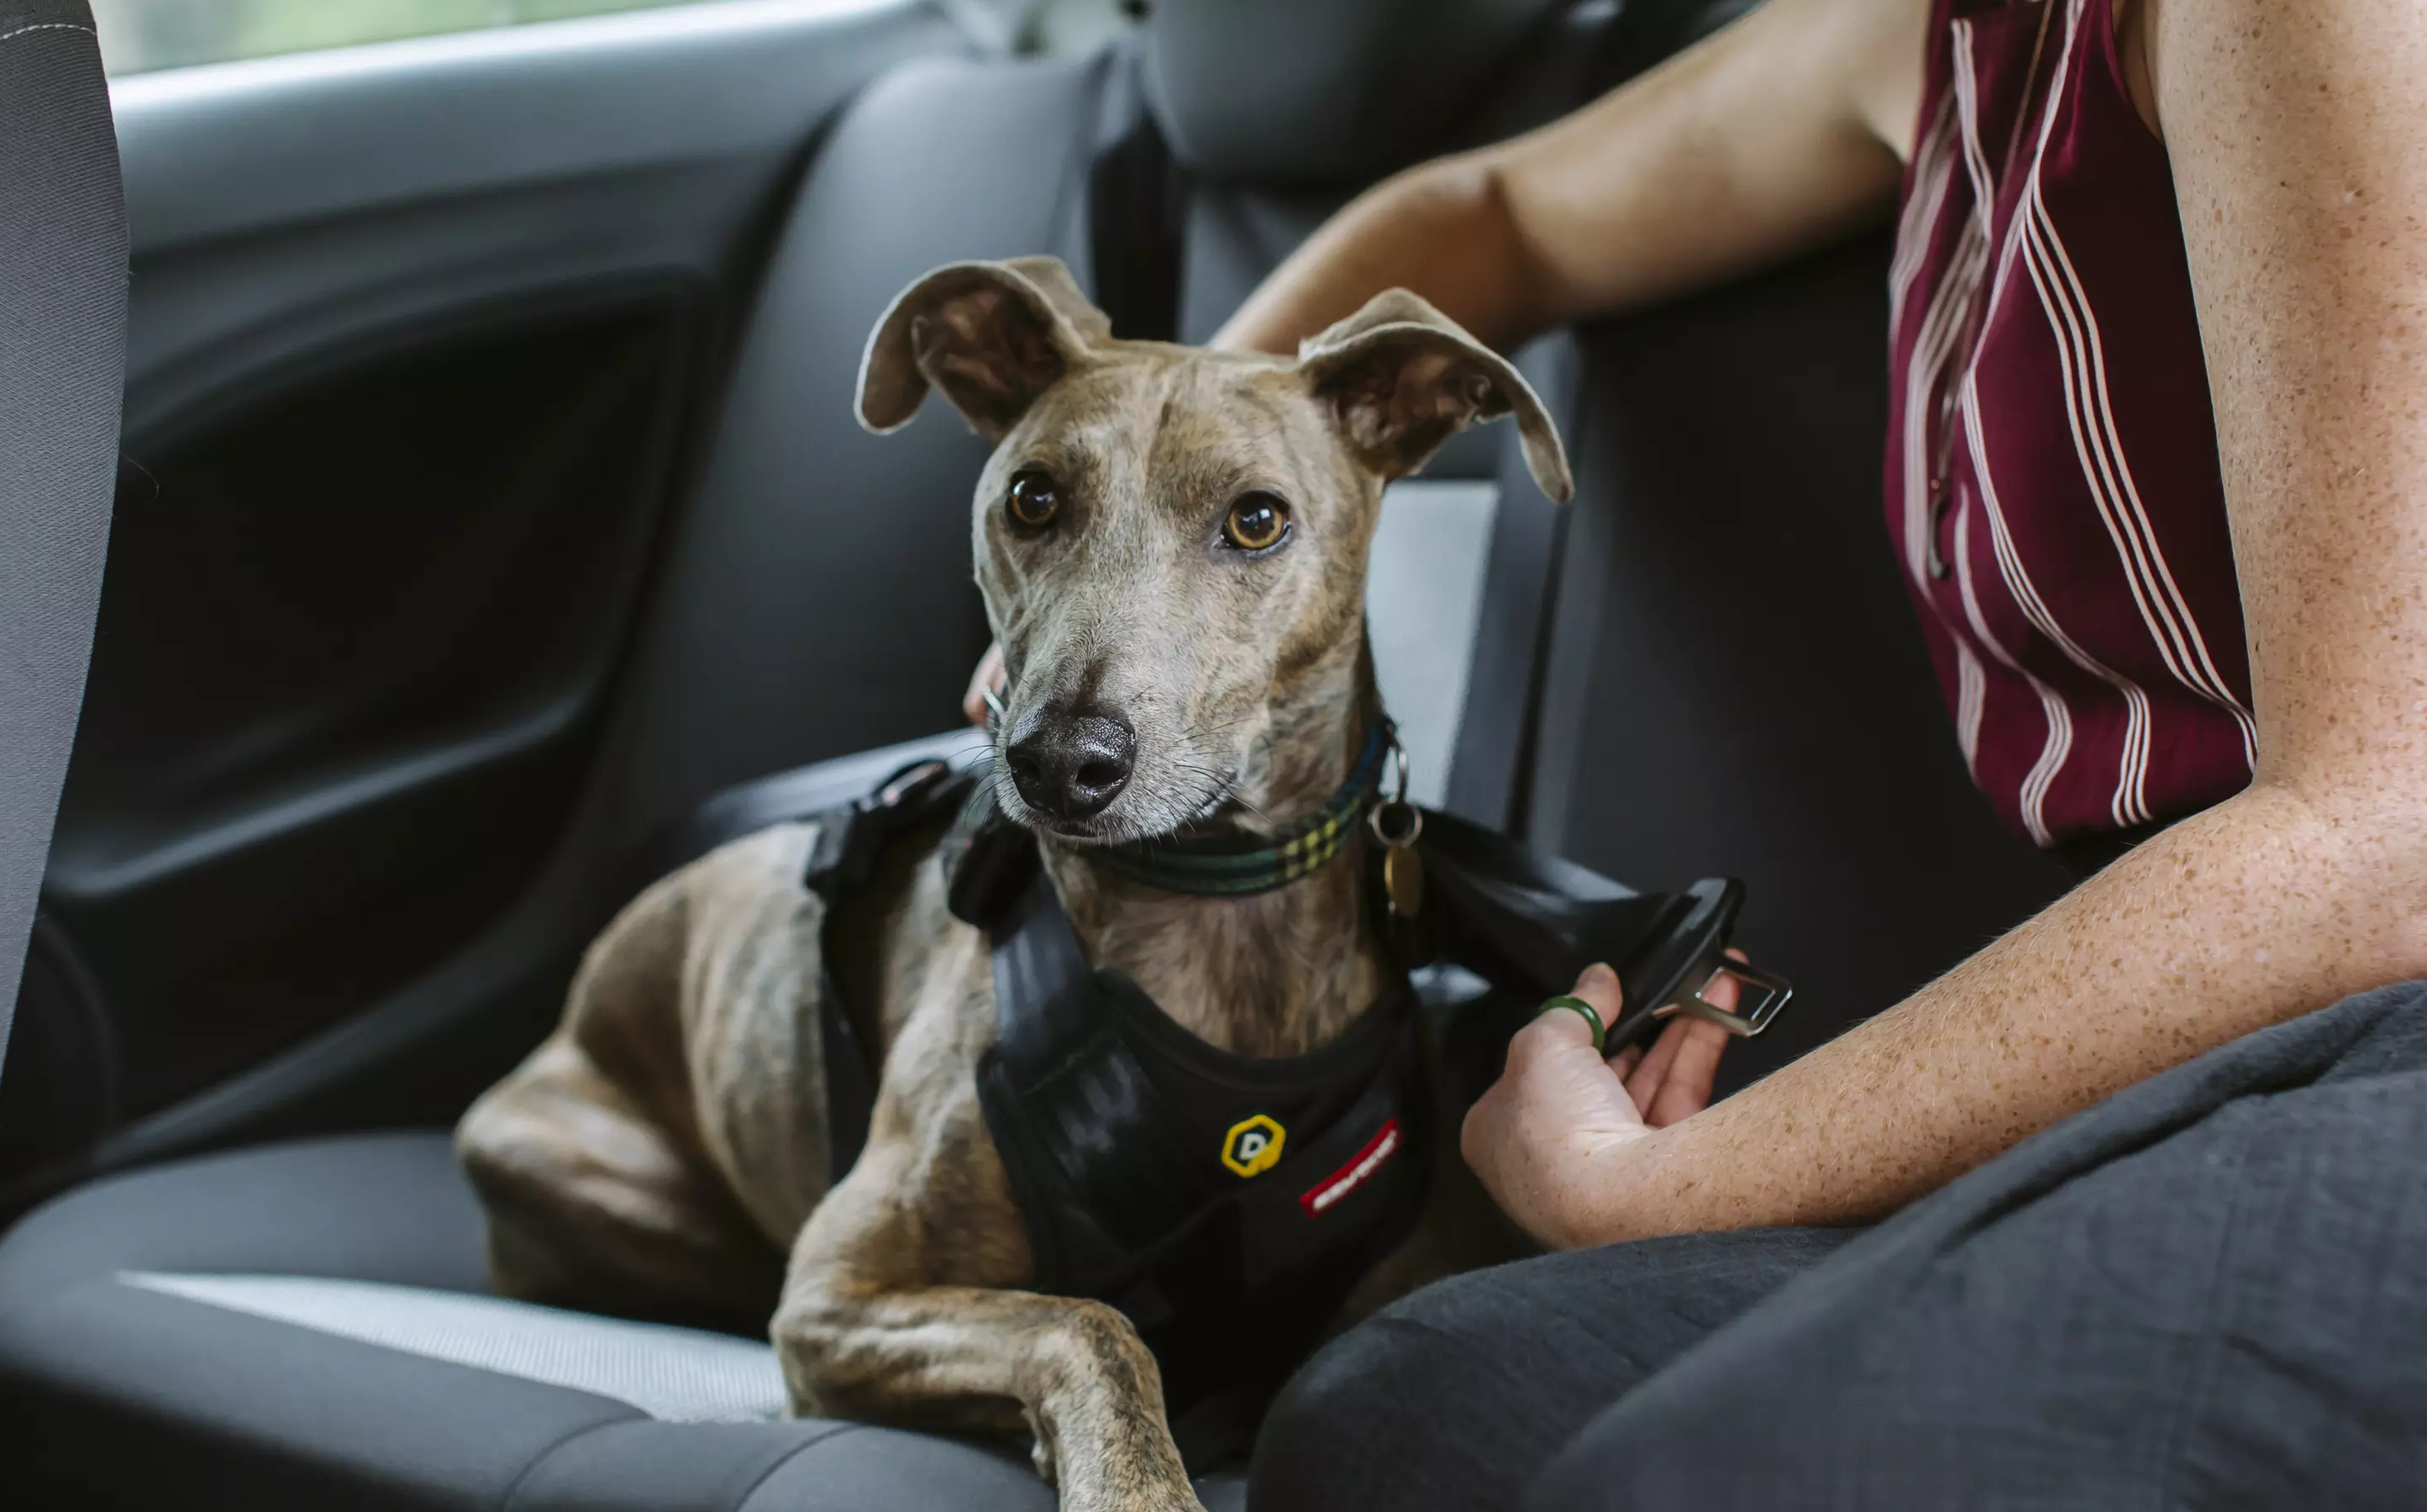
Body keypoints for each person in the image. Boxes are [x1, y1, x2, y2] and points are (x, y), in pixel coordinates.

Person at [972, 0, 2427, 1502]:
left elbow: (2383, 846)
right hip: (2201, 1055)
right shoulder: (1937, 31)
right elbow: (1496, 214)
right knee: (1399, 1427)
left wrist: (1642, 1190)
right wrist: (1124, 573)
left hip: (2382, 1043)